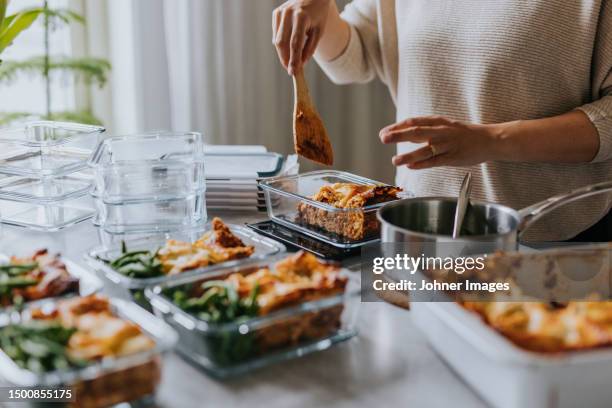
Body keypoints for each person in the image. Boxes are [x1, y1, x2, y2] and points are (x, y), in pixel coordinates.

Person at [272, 0, 612, 242]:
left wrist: (494, 141)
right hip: (417, 232)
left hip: (552, 241)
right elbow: (353, 58)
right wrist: (320, 8)